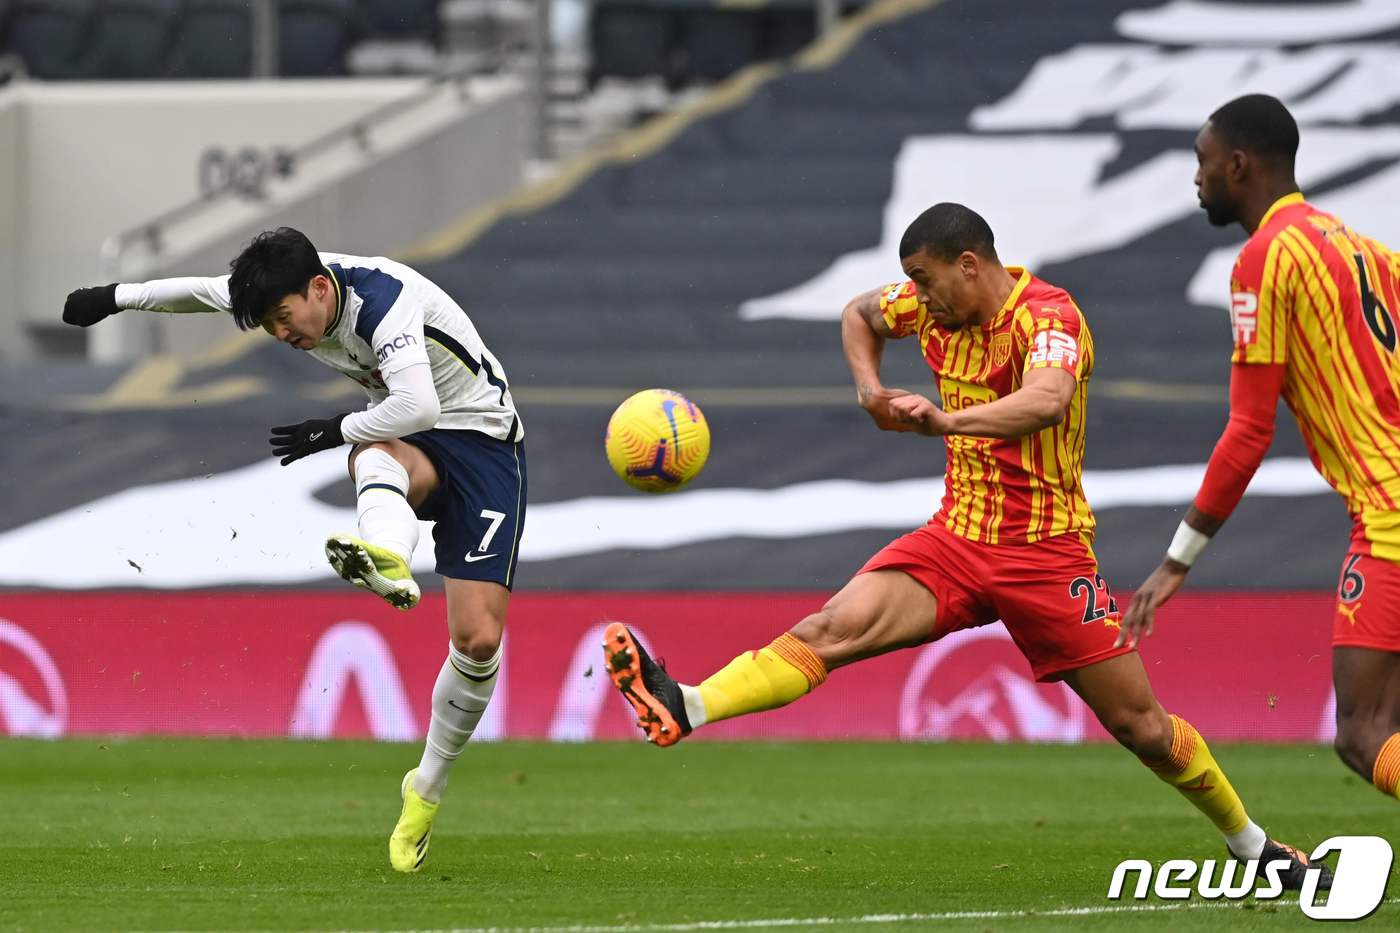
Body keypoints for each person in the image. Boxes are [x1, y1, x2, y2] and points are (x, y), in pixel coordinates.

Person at [602, 203, 1329, 886]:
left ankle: (1253, 845)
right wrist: (870, 390)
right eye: (913, 281)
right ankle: (687, 703)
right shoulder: (924, 305)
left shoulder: (1049, 315)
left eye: (926, 278)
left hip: (1046, 552)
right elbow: (859, 313)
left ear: (970, 265)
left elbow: (1046, 399)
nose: (918, 295)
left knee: (1141, 727)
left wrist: (947, 423)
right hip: (956, 537)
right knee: (828, 630)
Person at [62, 227, 527, 873]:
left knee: (478, 639)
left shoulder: (382, 297)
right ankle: (387, 553)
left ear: (318, 289)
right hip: (405, 439)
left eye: (285, 318)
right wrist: (115, 296)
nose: (283, 334)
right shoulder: (278, 284)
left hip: (480, 439)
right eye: (270, 325)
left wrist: (332, 428)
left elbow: (418, 404)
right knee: (375, 455)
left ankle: (425, 786)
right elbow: (200, 292)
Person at [1123, 94, 1400, 801]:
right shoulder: (1369, 252)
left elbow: (1249, 432)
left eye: (1202, 163)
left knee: (1363, 731)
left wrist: (1176, 560)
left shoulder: (1264, 260)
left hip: (1391, 515)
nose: (1196, 180)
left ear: (1238, 166)